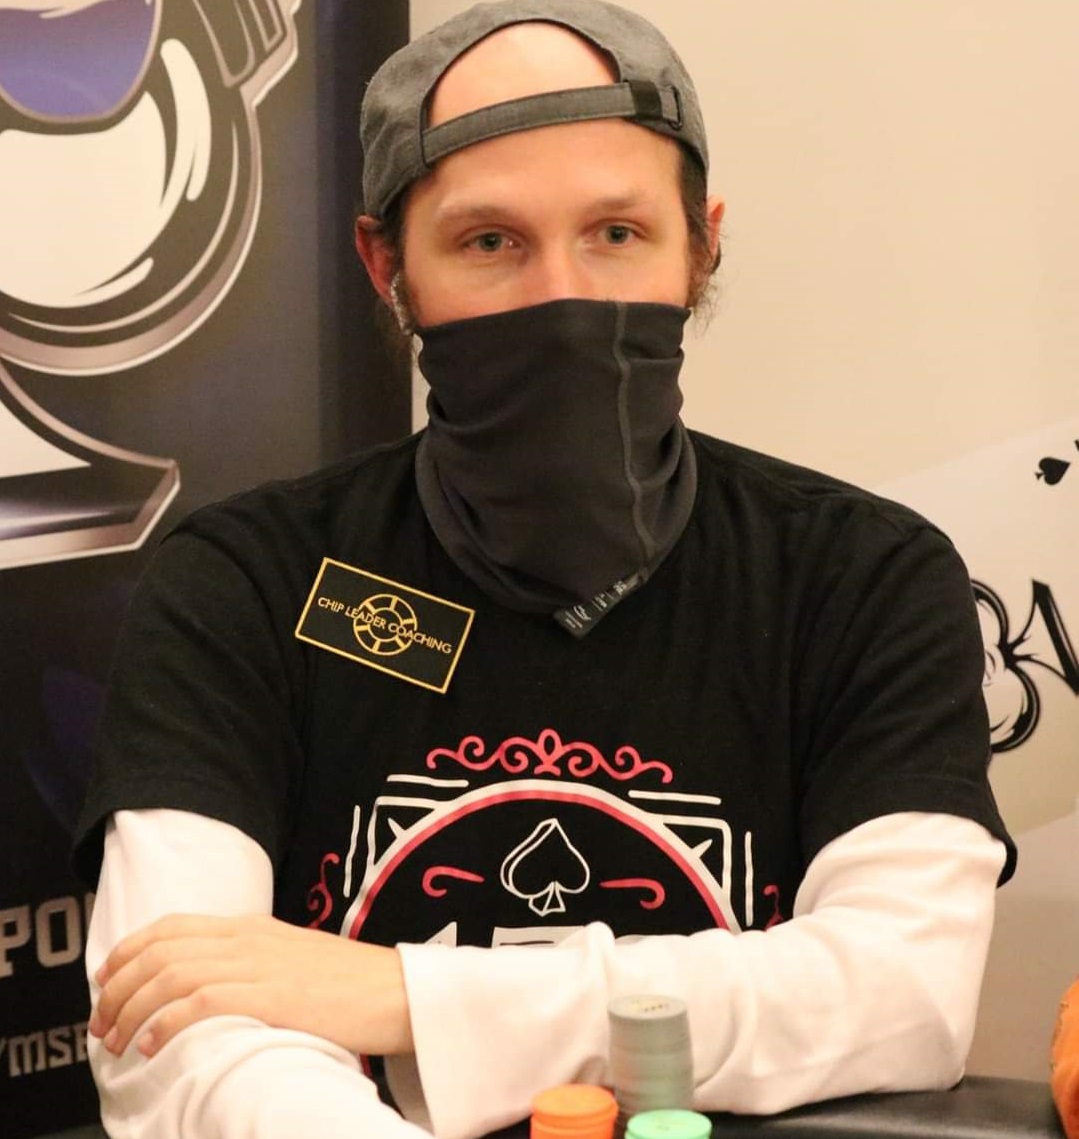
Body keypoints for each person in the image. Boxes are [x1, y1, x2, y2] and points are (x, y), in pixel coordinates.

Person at [74, 2, 1016, 1137]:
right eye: (489, 241)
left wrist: (408, 995)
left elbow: (902, 995)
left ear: (701, 243)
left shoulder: (859, 578)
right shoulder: (249, 582)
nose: (560, 296)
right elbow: (167, 1024)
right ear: (385, 264)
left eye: (615, 231)